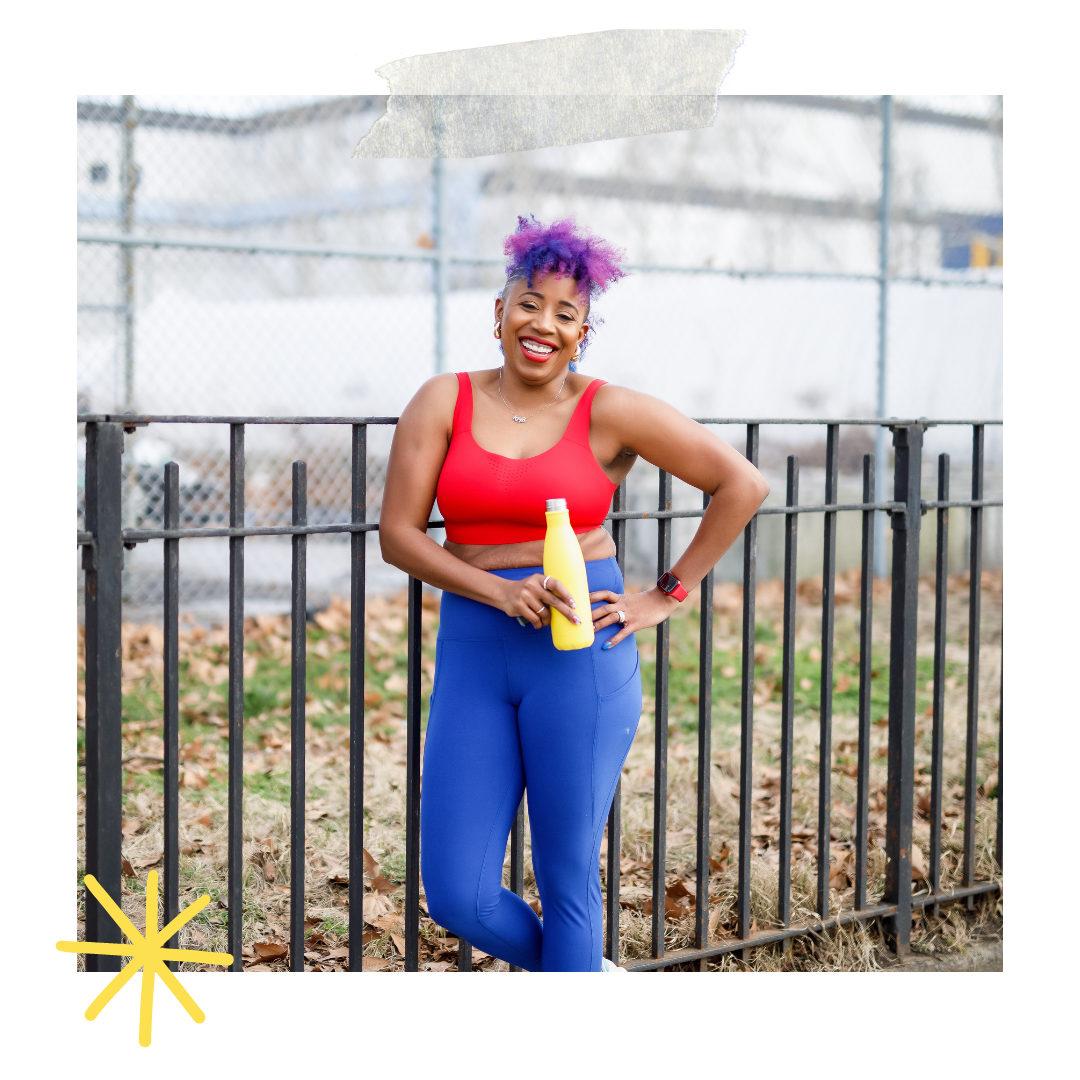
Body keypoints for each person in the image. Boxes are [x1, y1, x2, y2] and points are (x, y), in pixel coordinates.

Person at [379, 216, 768, 972]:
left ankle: (575, 998)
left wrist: (665, 593)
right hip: (476, 648)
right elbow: (400, 535)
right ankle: (584, 983)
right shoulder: (442, 401)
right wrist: (495, 590)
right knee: (457, 893)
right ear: (499, 312)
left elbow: (742, 483)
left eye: (566, 314)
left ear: (583, 333)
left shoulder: (608, 410)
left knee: (567, 884)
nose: (543, 325)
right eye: (530, 304)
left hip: (581, 654)